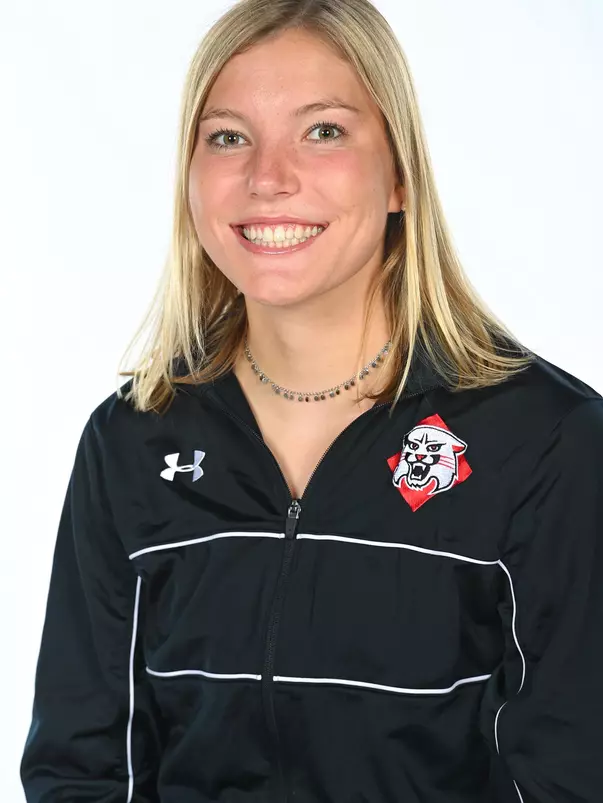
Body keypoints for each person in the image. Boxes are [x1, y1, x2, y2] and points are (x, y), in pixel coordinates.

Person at [20, 0, 603, 801]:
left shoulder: (544, 440)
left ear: (398, 175)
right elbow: (82, 767)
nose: (268, 177)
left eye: (323, 130)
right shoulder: (131, 441)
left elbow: (575, 769)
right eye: (228, 136)